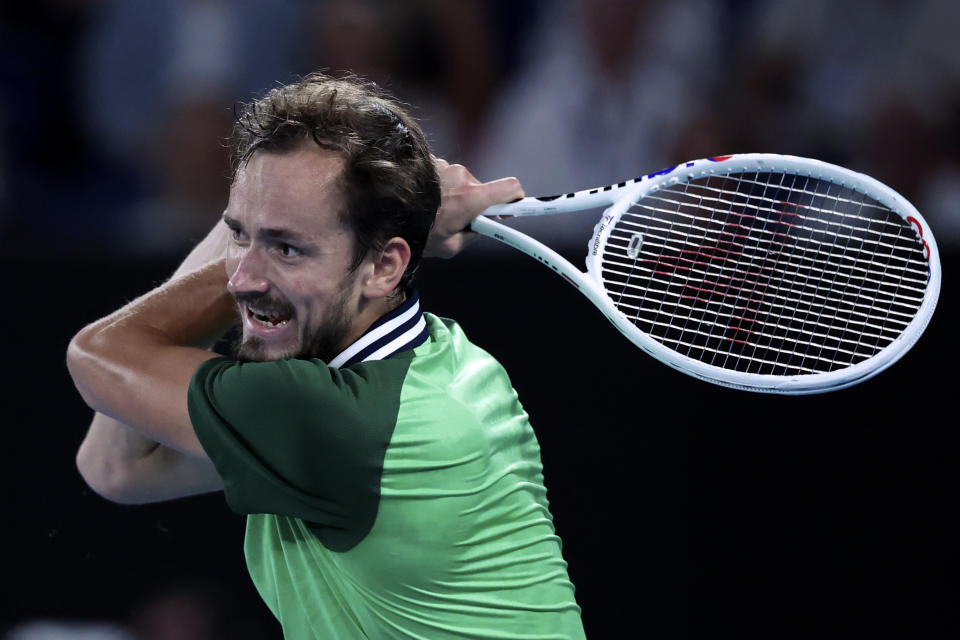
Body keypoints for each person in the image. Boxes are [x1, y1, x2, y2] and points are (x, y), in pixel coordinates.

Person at [66, 73, 586, 639]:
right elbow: (116, 465)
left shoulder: (334, 424)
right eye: (238, 235)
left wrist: (401, 204)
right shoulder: (448, 361)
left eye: (288, 247)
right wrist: (289, 212)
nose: (240, 281)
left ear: (384, 266)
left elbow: (99, 354)